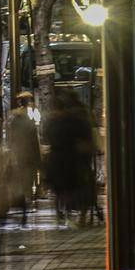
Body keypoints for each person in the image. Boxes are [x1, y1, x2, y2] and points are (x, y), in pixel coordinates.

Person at [41, 88, 96, 225]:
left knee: (63, 188)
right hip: (73, 157)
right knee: (77, 185)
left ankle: (64, 212)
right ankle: (77, 213)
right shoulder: (78, 116)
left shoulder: (53, 121)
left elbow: (46, 138)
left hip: (59, 158)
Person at [4, 93, 42, 224]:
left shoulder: (14, 115)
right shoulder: (29, 115)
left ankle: (25, 201)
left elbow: (10, 136)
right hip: (27, 153)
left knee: (22, 178)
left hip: (19, 153)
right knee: (27, 178)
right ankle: (27, 201)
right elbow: (33, 137)